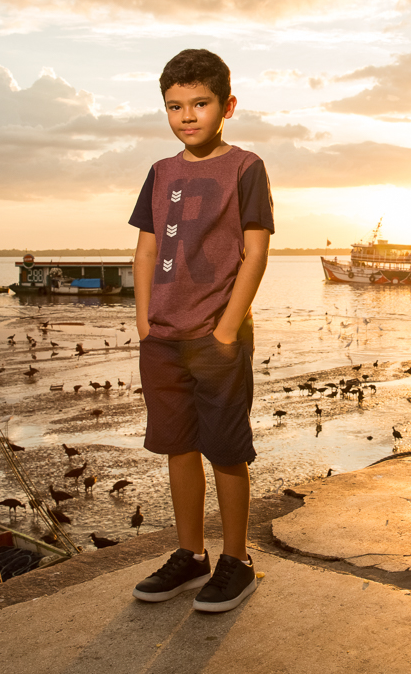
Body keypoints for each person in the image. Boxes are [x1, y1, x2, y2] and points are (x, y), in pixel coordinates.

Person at [128, 48, 275, 613]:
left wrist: (227, 329)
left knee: (226, 449)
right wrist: (145, 322)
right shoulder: (161, 173)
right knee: (178, 446)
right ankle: (191, 555)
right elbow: (146, 250)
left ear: (227, 106)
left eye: (200, 104)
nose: (187, 116)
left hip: (216, 336)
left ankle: (237, 560)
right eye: (174, 106)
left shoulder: (245, 167)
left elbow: (255, 252)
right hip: (163, 338)